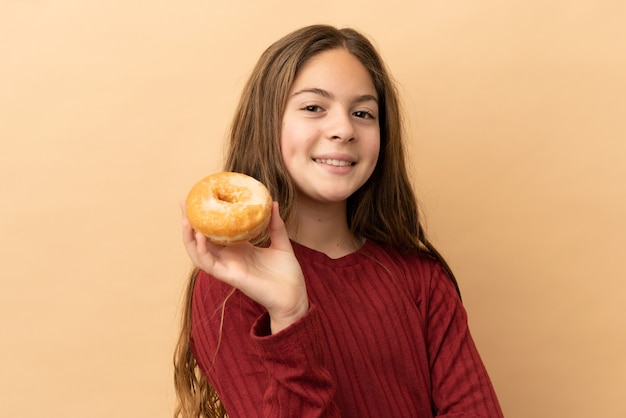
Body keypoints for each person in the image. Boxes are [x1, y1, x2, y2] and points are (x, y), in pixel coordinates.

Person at [173, 24, 504, 418]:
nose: (344, 129)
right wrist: (290, 315)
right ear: (267, 123)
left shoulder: (422, 280)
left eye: (363, 113)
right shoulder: (231, 285)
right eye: (314, 107)